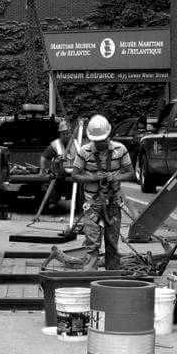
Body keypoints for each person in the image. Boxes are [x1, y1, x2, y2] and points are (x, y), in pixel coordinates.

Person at [71, 114, 133, 269]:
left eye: (102, 140)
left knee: (112, 243)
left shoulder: (120, 150)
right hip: (93, 206)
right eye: (96, 141)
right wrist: (92, 177)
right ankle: (90, 277)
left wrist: (115, 177)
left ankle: (111, 277)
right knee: (92, 243)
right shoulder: (84, 152)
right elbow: (75, 175)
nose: (99, 144)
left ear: (108, 136)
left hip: (112, 204)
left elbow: (130, 173)